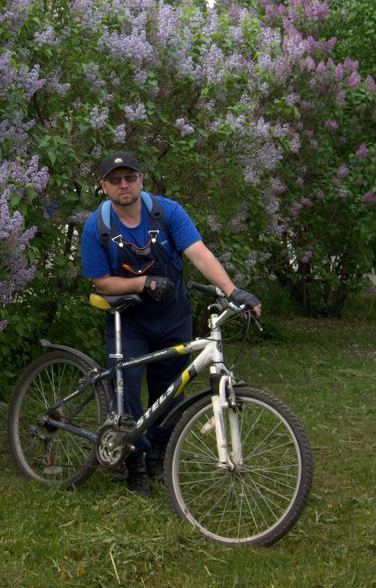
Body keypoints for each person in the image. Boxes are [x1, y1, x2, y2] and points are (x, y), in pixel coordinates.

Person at [79, 151, 260, 497]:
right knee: (127, 390)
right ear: (104, 187)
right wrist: (141, 283)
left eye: (129, 177)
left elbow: (198, 252)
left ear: (141, 180)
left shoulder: (167, 212)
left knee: (172, 391)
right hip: (127, 321)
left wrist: (232, 290)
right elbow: (101, 283)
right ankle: (134, 463)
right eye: (115, 180)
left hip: (172, 315)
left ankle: (159, 452)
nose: (124, 185)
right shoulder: (97, 226)